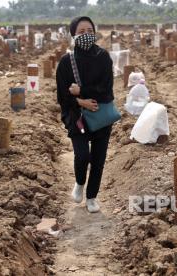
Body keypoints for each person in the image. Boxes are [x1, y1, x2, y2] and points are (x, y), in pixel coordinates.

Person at [56, 16, 114, 213]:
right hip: (77, 116)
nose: (86, 35)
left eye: (90, 30)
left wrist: (81, 90)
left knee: (98, 159)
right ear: (73, 35)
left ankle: (91, 197)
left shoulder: (104, 57)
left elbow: (106, 90)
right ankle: (80, 182)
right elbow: (63, 96)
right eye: (81, 32)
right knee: (82, 156)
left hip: (101, 115)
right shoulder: (66, 62)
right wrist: (81, 102)